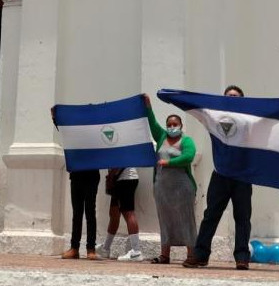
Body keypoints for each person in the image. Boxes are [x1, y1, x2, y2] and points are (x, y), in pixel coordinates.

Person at [184, 85, 252, 270]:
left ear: (243, 100)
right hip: (221, 174)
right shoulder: (216, 118)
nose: (232, 98)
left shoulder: (250, 120)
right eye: (229, 96)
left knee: (243, 218)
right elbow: (198, 109)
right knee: (210, 216)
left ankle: (242, 257)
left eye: (236, 96)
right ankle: (200, 256)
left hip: (242, 176)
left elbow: (269, 119)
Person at [143, 95, 197, 264]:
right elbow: (152, 124)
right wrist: (148, 107)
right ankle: (165, 255)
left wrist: (169, 162)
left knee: (187, 220)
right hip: (162, 189)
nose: (172, 127)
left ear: (181, 126)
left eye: (175, 124)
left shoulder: (186, 140)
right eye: (169, 125)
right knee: (165, 220)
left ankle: (191, 255)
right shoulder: (161, 137)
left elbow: (189, 157)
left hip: (183, 189)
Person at [52, 108, 101, 261]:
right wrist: (55, 117)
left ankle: (91, 249)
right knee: (77, 213)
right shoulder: (74, 134)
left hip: (92, 176)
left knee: (90, 213)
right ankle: (74, 248)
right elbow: (65, 130)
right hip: (77, 176)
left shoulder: (96, 135)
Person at [99, 166, 141, 261]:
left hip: (125, 179)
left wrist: (110, 177)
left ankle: (136, 251)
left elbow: (120, 161)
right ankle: (106, 248)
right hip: (119, 179)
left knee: (128, 212)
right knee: (114, 213)